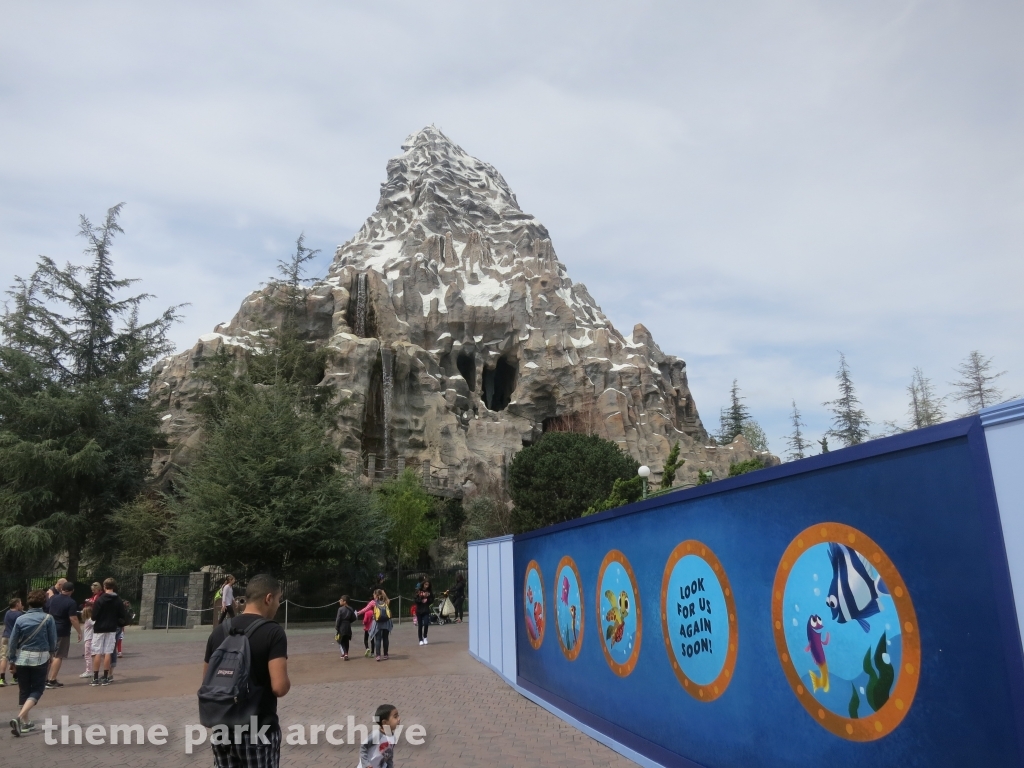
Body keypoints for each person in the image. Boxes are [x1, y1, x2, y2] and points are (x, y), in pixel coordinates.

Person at [203, 574, 290, 768]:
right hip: (258, 729)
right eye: (278, 599)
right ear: (268, 598)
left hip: (222, 727)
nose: (277, 604)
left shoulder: (219, 631)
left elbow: (207, 681)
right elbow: (279, 687)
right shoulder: (273, 632)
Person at [7, 589, 56, 736]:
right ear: (44, 602)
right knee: (37, 689)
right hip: (40, 657)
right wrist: (52, 654)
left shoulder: (20, 619)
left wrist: (11, 659)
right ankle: (20, 717)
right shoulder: (48, 618)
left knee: (24, 690)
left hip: (22, 657)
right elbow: (52, 640)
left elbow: (13, 641)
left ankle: (25, 723)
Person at [44, 581, 82, 688]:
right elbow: (73, 618)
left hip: (50, 628)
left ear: (62, 589)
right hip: (62, 629)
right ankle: (52, 680)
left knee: (49, 654)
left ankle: (44, 678)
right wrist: (79, 631)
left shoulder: (54, 599)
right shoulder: (71, 602)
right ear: (72, 591)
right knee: (59, 655)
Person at [90, 578, 127, 686]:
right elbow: (122, 615)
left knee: (97, 652)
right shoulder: (118, 600)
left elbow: (94, 616)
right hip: (111, 628)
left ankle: (95, 677)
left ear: (104, 586)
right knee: (108, 652)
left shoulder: (100, 600)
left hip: (99, 628)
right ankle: (106, 677)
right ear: (114, 586)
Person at [359, 704, 400, 768]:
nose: (399, 719)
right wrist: (366, 764)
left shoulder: (393, 737)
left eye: (398, 716)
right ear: (385, 722)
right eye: (395, 717)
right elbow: (363, 748)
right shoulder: (376, 735)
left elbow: (389, 755)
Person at [0, 597, 24, 687]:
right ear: (17, 604)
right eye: (20, 603)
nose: (21, 605)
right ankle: (15, 677)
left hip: (5, 636)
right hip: (14, 637)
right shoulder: (19, 614)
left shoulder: (7, 613)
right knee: (16, 657)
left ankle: (1, 678)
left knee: (3, 657)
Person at [369, 590, 393, 662]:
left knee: (378, 639)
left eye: (374, 595)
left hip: (378, 623)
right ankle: (385, 654)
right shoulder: (387, 601)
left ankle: (378, 655)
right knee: (385, 638)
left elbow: (366, 609)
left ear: (376, 595)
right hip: (386, 622)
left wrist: (358, 613)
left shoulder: (374, 602)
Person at [335, 595, 356, 660]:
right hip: (348, 626)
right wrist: (349, 621)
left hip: (342, 626)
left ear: (345, 602)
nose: (339, 601)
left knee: (341, 641)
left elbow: (338, 619)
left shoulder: (340, 609)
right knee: (346, 640)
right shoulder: (351, 608)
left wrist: (337, 626)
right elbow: (354, 618)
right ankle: (346, 653)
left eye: (341, 600)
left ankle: (345, 653)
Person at [415, 580, 434, 646]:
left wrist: (428, 598)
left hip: (426, 610)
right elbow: (416, 600)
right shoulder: (418, 591)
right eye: (425, 584)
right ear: (423, 584)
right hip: (419, 610)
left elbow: (432, 600)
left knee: (426, 623)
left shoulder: (429, 592)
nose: (426, 586)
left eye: (427, 585)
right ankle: (420, 639)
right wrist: (422, 596)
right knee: (420, 625)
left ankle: (425, 636)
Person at [79, 605, 94, 678]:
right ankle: (89, 670)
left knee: (87, 655)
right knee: (89, 655)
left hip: (89, 639)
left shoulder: (90, 620)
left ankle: (89, 671)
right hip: (89, 639)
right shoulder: (88, 620)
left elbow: (95, 623)